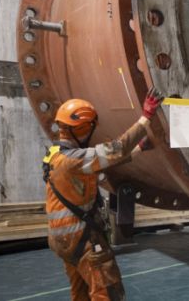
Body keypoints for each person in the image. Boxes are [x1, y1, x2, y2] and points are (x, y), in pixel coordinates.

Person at [43, 89, 164, 301]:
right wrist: (146, 118)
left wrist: (138, 150)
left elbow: (98, 164)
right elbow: (114, 150)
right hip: (83, 239)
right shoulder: (75, 161)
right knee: (108, 292)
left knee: (80, 293)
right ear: (81, 129)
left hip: (61, 241)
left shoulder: (55, 155)